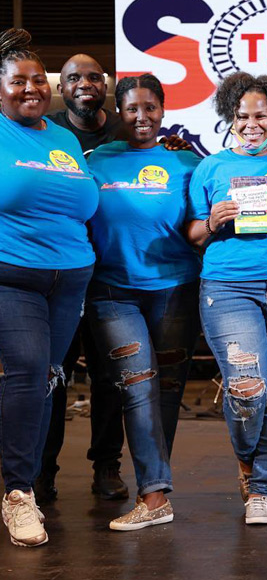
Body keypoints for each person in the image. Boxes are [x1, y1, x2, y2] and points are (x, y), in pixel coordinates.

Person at [188, 72, 267, 526]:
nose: (250, 124)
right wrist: (211, 221)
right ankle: (247, 461)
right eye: (241, 116)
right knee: (249, 388)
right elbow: (190, 232)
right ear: (230, 118)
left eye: (260, 115)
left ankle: (261, 489)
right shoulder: (210, 169)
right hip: (229, 288)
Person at [84, 74, 201, 531]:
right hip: (113, 292)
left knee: (166, 393)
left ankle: (155, 485)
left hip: (175, 290)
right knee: (136, 386)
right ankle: (154, 495)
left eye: (149, 108)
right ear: (119, 111)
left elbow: (200, 223)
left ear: (163, 110)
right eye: (131, 108)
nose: (141, 117)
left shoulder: (187, 164)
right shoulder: (97, 161)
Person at [0, 28, 99, 547]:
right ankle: (17, 492)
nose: (32, 88)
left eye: (40, 80)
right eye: (19, 81)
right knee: (29, 370)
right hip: (12, 275)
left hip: (71, 279)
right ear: (0, 89)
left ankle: (29, 483)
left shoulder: (63, 139)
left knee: (47, 379)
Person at [38, 53, 128, 505]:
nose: (85, 84)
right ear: (62, 87)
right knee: (53, 375)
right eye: (74, 77)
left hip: (111, 275)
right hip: (58, 272)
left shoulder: (125, 131)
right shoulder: (45, 130)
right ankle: (43, 470)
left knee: (110, 376)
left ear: (106, 84)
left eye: (94, 76)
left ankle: (107, 466)